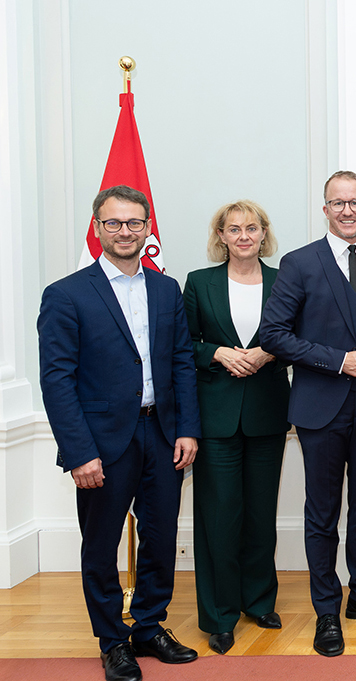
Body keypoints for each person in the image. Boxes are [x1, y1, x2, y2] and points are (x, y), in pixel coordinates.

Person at [38, 185, 200, 681]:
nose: (125, 231)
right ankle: (112, 641)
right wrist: (79, 452)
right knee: (101, 543)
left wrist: (188, 429)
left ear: (148, 228)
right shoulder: (66, 294)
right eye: (114, 223)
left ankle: (149, 626)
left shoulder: (166, 290)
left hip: (162, 433)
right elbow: (57, 379)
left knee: (160, 535)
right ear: (98, 227)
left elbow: (181, 363)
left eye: (134, 223)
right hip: (102, 445)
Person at [260, 170, 356, 657]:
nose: (347, 210)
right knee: (322, 513)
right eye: (338, 202)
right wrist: (339, 361)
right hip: (319, 406)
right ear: (324, 209)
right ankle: (327, 609)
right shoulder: (299, 262)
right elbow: (273, 334)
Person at [182, 200, 291, 654]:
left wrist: (268, 352)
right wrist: (217, 353)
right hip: (216, 418)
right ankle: (220, 614)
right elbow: (181, 344)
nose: (243, 235)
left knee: (261, 515)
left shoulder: (284, 280)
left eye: (252, 228)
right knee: (219, 518)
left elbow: (300, 338)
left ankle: (258, 600)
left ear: (263, 234)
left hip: (267, 412)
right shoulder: (198, 283)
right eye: (234, 229)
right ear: (221, 236)